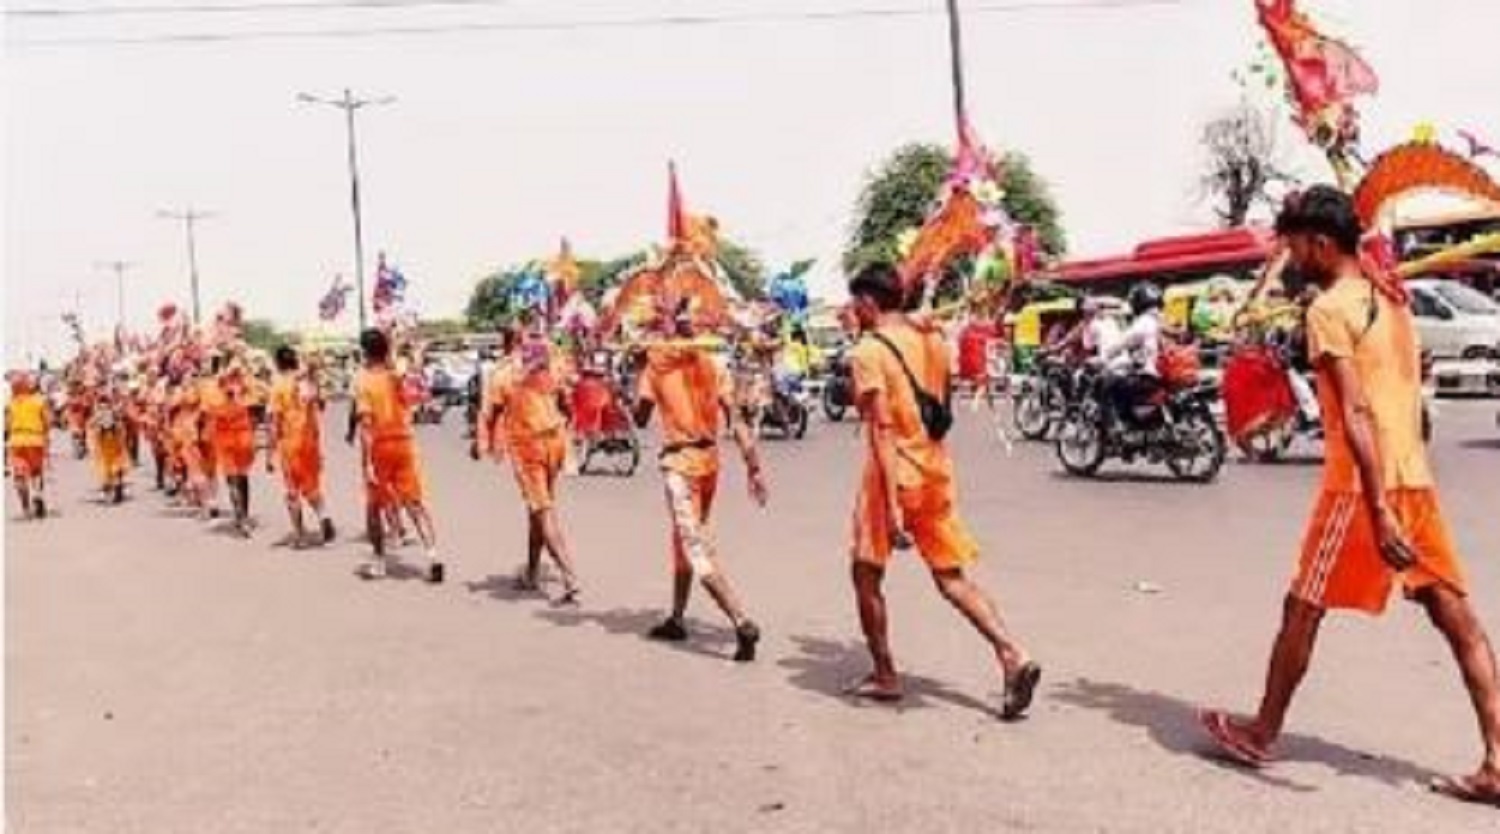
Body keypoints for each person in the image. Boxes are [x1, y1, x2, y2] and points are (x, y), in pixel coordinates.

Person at [1199, 186, 1500, 805]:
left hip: (1360, 491)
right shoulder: (1394, 297)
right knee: (1458, 621)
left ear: (1319, 243)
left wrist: (1378, 506)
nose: (1289, 257)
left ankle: (1261, 730)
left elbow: (1357, 410)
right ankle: (1498, 761)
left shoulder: (1330, 311)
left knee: (1301, 608)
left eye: (1292, 246)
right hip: (1413, 477)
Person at [842, 264, 1041, 718]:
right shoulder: (931, 339)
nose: (853, 311)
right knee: (952, 578)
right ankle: (1012, 653)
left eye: (856, 303)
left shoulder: (869, 352)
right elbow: (940, 401)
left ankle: (886, 674)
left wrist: (891, 506)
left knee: (865, 574)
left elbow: (880, 429)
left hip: (894, 477)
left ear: (870, 302)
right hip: (935, 470)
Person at [633, 300, 767, 662]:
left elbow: (641, 417)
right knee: (684, 538)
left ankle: (742, 621)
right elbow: (736, 420)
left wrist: (638, 370)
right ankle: (676, 618)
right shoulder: (713, 362)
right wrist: (753, 465)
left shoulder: (658, 364)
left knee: (695, 546)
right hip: (710, 462)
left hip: (683, 465)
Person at [480, 330, 582, 603]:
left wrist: (482, 444)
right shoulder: (547, 362)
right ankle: (533, 572)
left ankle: (570, 576)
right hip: (555, 440)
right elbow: (566, 400)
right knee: (537, 509)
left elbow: (490, 414)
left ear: (505, 343)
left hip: (528, 447)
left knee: (543, 510)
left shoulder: (502, 373)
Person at [353, 328, 443, 583]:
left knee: (374, 507)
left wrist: (368, 461)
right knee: (415, 502)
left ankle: (379, 562)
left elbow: (366, 425)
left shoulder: (363, 381)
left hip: (380, 447)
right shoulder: (396, 375)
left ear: (364, 352)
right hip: (404, 441)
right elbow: (415, 392)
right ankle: (433, 556)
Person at [267, 345, 335, 548]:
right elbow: (322, 404)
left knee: (292, 492)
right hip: (311, 442)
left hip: (290, 444)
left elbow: (273, 422)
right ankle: (323, 516)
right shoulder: (306, 383)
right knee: (311, 485)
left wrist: (269, 454)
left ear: (278, 363)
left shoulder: (278, 386)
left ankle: (300, 535)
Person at [205, 360, 259, 537]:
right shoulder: (242, 389)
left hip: (230, 440)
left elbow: (207, 412)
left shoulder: (215, 392)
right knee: (241, 478)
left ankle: (241, 516)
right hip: (241, 438)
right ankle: (243, 516)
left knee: (233, 480)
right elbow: (257, 401)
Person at [1100, 283, 1165, 427]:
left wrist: (1104, 357)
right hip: (1165, 373)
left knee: (1108, 384)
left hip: (1150, 376)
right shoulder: (1163, 320)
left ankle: (1119, 426)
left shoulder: (1144, 323)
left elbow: (1120, 345)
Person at [6, 373, 50, 519]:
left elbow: (7, 425)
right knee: (36, 472)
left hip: (17, 440)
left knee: (19, 476)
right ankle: (37, 494)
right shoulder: (39, 401)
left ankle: (26, 508)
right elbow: (47, 422)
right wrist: (45, 436)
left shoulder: (11, 403)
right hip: (35, 440)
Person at [89, 382, 130, 505]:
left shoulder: (115, 418)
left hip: (115, 450)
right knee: (106, 473)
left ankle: (116, 489)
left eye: (105, 407)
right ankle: (110, 491)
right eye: (102, 407)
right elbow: (91, 429)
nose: (104, 411)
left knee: (116, 471)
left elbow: (122, 434)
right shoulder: (97, 418)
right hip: (104, 451)